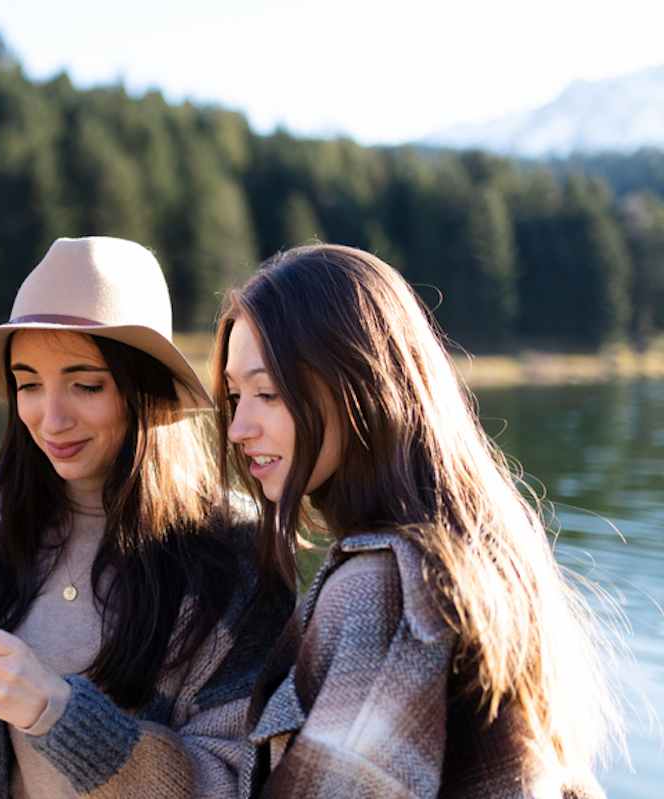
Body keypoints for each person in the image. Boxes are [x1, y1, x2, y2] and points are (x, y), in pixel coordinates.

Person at [0, 236, 293, 798]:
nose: (51, 418)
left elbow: (240, 781)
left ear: (145, 391)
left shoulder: (237, 552)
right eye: (28, 384)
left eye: (85, 384)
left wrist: (56, 711)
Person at [213, 244, 622, 798]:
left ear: (358, 385)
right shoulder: (475, 550)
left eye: (268, 393)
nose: (238, 428)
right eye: (235, 397)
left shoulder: (385, 588)